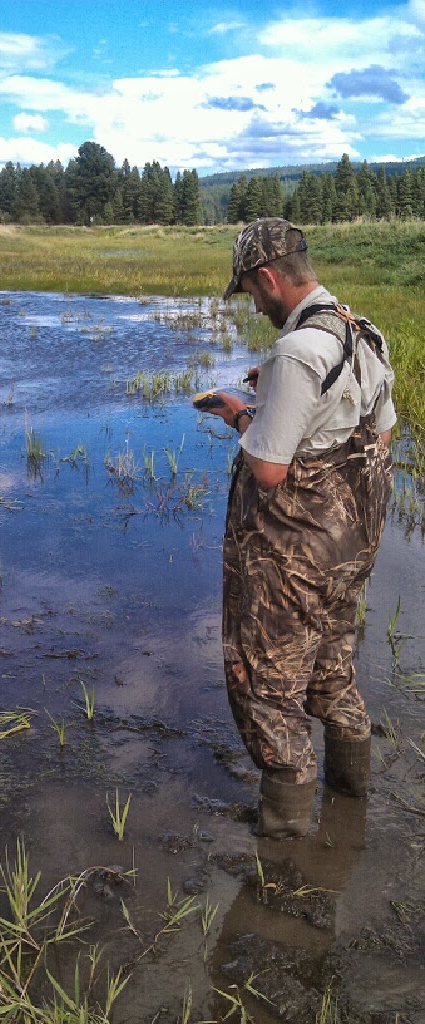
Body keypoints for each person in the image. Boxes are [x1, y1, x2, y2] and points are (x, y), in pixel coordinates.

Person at [208, 218, 395, 839]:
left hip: (293, 565)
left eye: (252, 291)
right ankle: (351, 810)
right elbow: (377, 435)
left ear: (268, 278)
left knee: (268, 690)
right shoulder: (363, 333)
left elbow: (267, 469)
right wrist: (286, 399)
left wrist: (241, 413)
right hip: (350, 556)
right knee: (333, 674)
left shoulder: (295, 350)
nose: (255, 304)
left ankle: (285, 851)